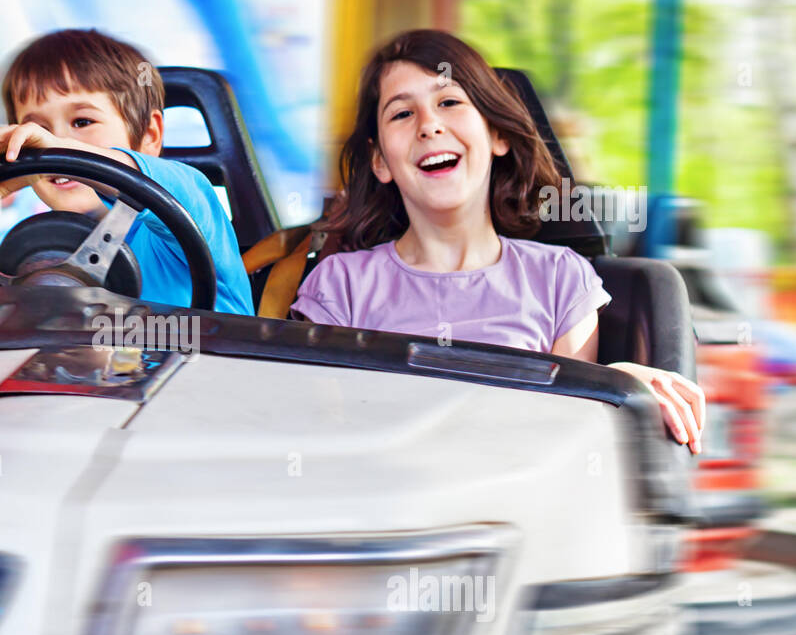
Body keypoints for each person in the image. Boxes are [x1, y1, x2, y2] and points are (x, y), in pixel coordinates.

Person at [291, 29, 704, 452]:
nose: (429, 126)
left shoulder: (562, 280)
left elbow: (564, 441)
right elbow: (326, 444)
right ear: (380, 161)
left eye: (449, 102)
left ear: (497, 136)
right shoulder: (338, 288)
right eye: (402, 114)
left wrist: (612, 385)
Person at [0, 28, 254, 315]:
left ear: (150, 136)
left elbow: (169, 189)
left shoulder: (184, 215)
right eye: (38, 130)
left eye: (82, 122)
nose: (55, 146)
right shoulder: (37, 258)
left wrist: (68, 158)